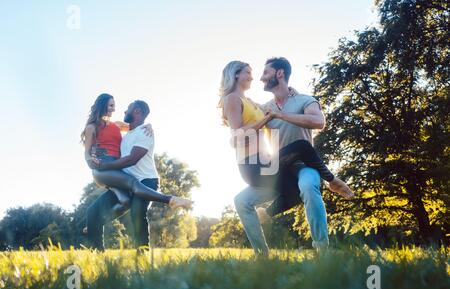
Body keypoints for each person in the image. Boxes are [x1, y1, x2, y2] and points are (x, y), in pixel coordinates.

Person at [219, 58, 352, 254]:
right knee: (242, 201)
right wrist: (237, 137)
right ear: (237, 74)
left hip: (305, 165)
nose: (260, 78)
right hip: (277, 167)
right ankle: (263, 254)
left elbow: (318, 122)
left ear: (279, 74)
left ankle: (322, 250)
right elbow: (240, 126)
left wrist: (281, 114)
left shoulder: (305, 100)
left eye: (266, 73)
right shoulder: (265, 108)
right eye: (252, 72)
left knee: (306, 185)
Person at [82, 96, 192, 249]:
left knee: (136, 211)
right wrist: (92, 162)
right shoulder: (109, 131)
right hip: (122, 176)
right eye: (111, 105)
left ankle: (142, 253)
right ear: (102, 105)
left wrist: (149, 125)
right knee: (93, 211)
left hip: (145, 180)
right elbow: (130, 127)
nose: (118, 109)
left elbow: (132, 157)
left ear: (137, 111)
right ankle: (97, 248)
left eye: (123, 107)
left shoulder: (140, 132)